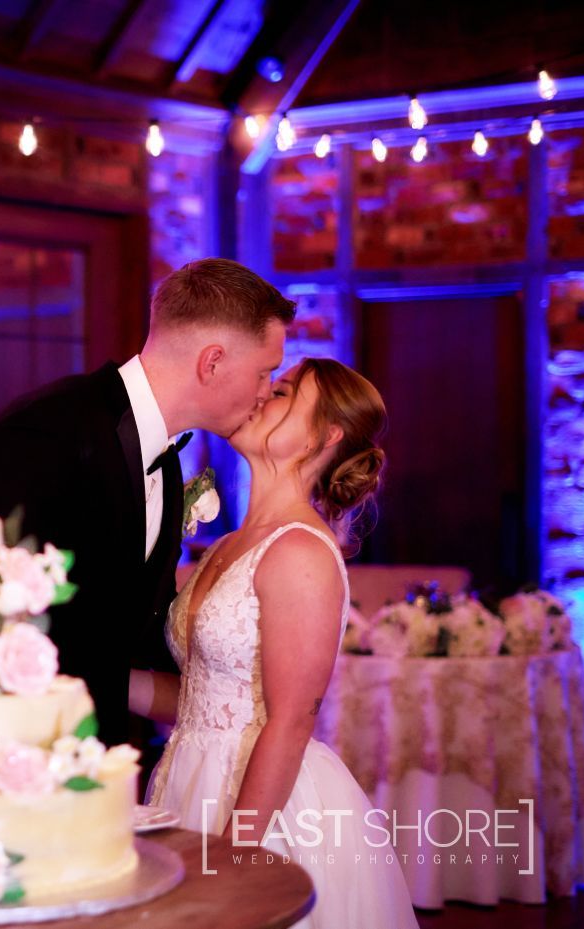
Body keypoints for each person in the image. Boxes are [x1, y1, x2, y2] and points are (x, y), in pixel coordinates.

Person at [131, 357, 416, 929]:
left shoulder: (302, 553)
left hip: (263, 808)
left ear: (326, 434)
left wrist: (237, 860)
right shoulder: (231, 543)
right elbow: (201, 698)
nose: (262, 396)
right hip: (188, 783)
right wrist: (80, 673)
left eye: (283, 392)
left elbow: (289, 722)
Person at [0, 258, 294, 747]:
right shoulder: (44, 434)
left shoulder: (167, 462)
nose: (266, 394)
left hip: (111, 756)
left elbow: (126, 626)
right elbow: (0, 618)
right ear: (212, 361)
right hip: (23, 752)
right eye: (265, 373)